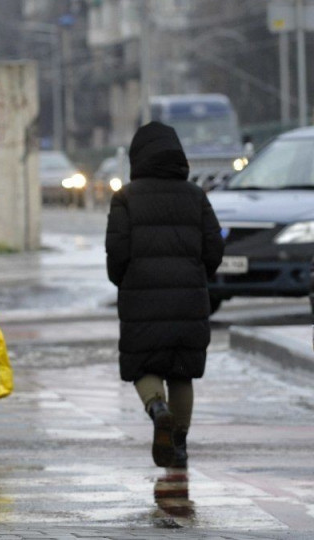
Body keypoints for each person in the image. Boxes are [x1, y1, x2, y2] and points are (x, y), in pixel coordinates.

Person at [105, 121, 223, 469]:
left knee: (143, 365)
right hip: (189, 298)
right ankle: (181, 444)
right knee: (182, 372)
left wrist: (122, 281)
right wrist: (199, 276)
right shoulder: (196, 195)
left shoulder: (125, 197)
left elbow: (117, 250)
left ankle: (158, 410)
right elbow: (214, 247)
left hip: (141, 296)